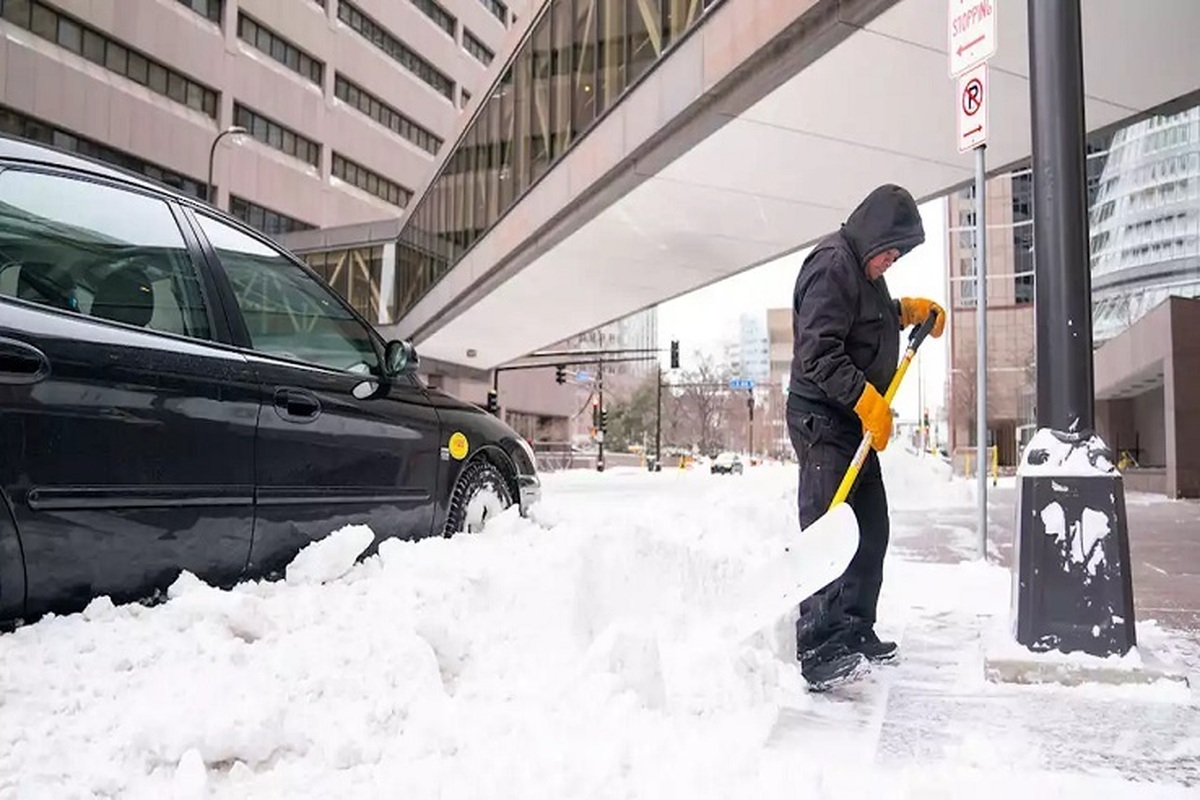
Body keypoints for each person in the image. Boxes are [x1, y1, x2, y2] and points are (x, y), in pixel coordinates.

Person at [786, 184, 945, 691]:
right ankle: (817, 643)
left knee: (871, 527)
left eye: (898, 256)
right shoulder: (832, 264)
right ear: (873, 235)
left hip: (852, 420)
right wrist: (866, 400)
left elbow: (866, 321)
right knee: (827, 531)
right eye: (890, 252)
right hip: (823, 419)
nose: (891, 262)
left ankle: (853, 628)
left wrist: (905, 312)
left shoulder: (863, 270)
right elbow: (819, 352)